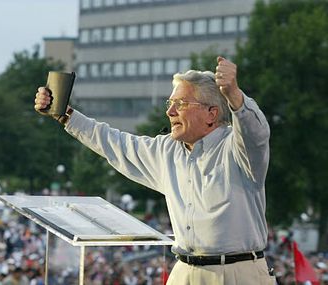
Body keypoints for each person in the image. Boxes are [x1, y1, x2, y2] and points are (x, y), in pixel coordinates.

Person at [34, 57, 275, 285]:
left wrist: (234, 94)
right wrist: (65, 115)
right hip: (184, 271)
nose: (170, 112)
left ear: (211, 114)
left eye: (180, 104)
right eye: (170, 104)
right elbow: (113, 143)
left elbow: (256, 133)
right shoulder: (166, 150)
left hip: (236, 273)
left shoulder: (239, 150)